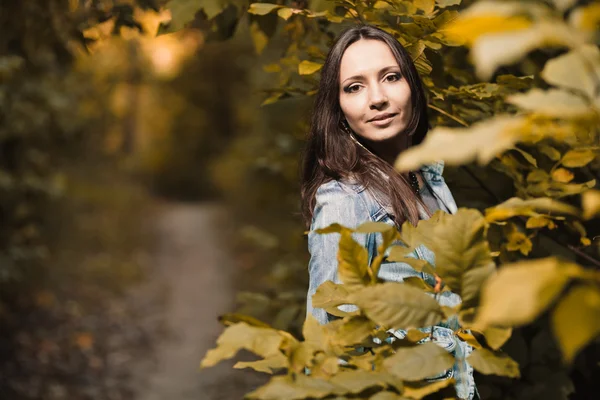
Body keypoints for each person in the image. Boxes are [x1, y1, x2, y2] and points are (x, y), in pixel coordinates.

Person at [300, 25, 477, 400]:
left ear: (412, 86)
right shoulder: (345, 201)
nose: (377, 98)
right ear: (339, 110)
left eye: (390, 77)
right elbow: (328, 341)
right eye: (354, 87)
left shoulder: (430, 182)